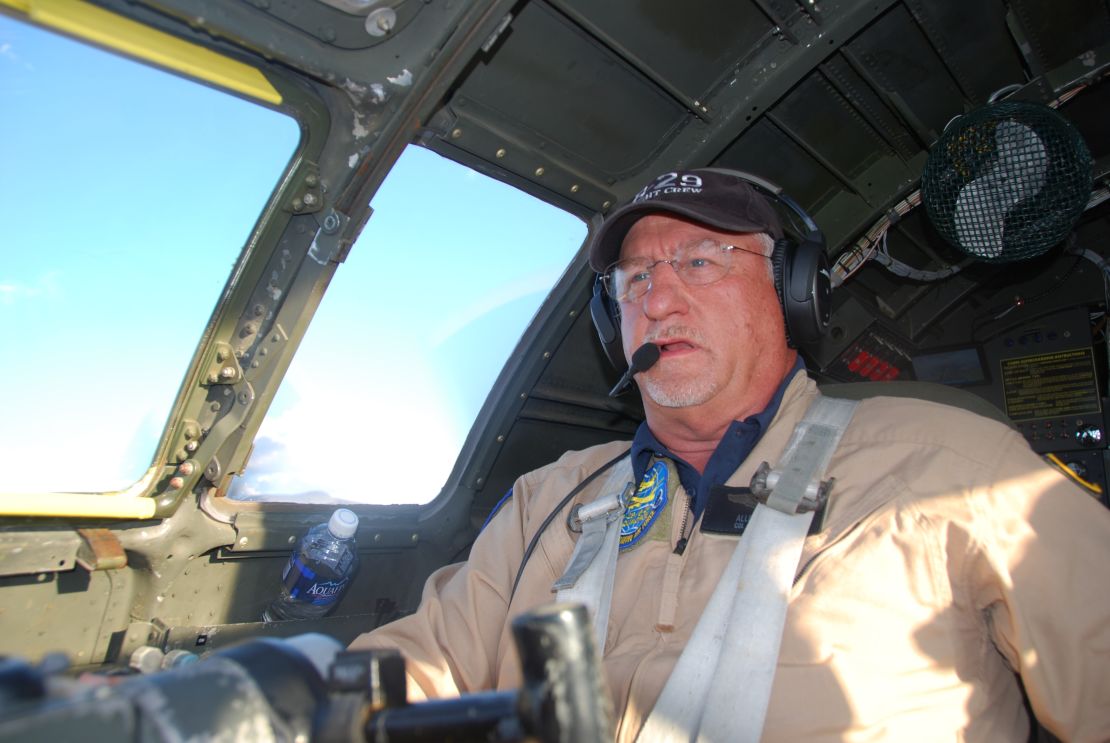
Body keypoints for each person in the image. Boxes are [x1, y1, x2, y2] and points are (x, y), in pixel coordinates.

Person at [350, 168, 1110, 742]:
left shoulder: (958, 467)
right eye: (635, 277)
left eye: (703, 261)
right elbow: (419, 670)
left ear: (793, 292)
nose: (659, 298)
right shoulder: (548, 500)